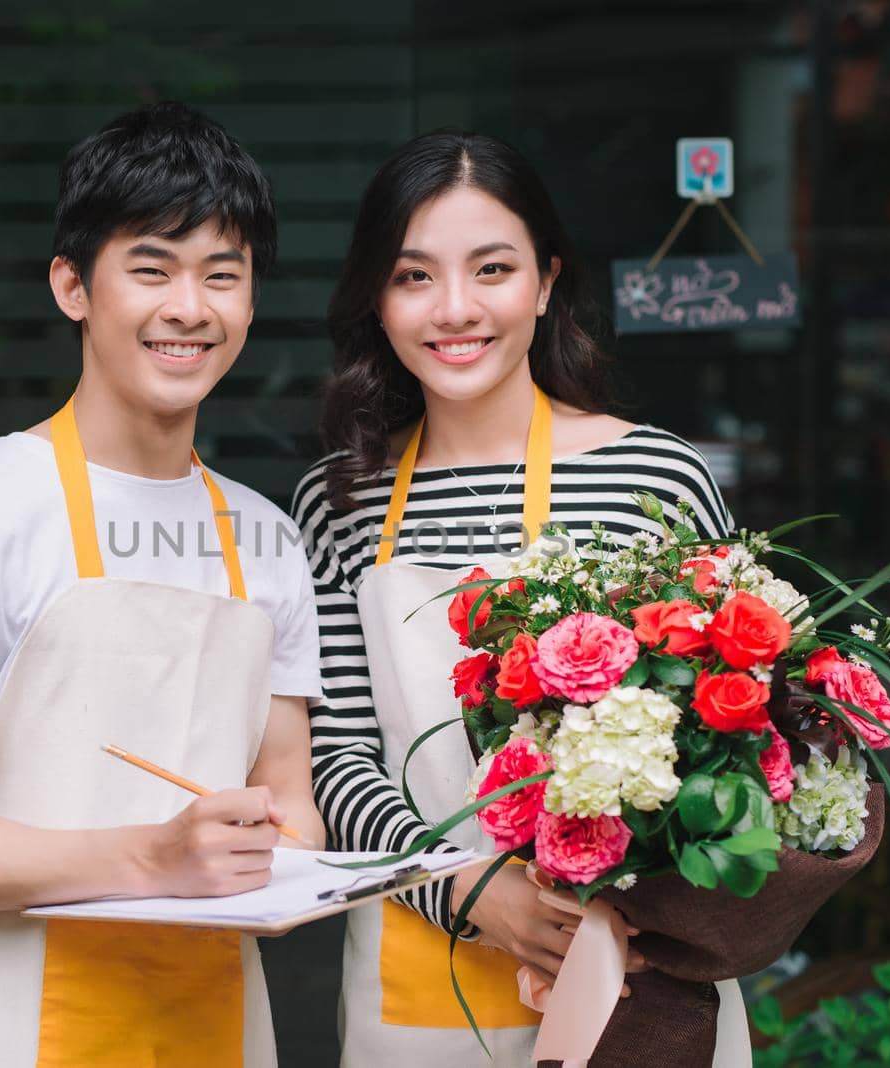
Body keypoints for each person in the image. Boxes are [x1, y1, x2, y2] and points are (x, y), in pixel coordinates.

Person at [0, 101, 324, 1068]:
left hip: (214, 1032)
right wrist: (151, 860)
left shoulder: (268, 539)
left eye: (222, 276)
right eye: (151, 267)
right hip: (1, 1031)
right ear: (73, 285)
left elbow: (288, 794)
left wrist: (290, 858)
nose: (189, 307)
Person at [292, 130, 750, 1065]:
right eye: (414, 276)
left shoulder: (651, 475)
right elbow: (334, 756)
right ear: (376, 299)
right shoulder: (339, 500)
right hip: (420, 972)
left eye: (491, 269)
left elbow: (739, 739)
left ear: (545, 283)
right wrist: (470, 891)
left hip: (640, 976)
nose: (454, 309)